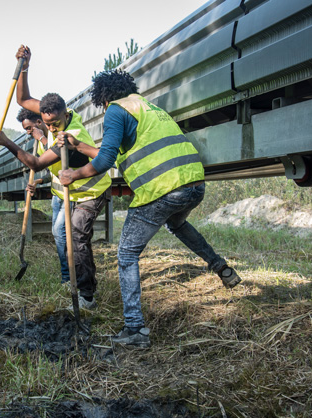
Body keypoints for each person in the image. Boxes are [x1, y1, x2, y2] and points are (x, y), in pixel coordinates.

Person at [58, 69, 241, 348]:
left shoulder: (115, 111)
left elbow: (106, 159)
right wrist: (80, 146)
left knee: (127, 254)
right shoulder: (148, 108)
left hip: (163, 189)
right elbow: (115, 153)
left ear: (104, 98)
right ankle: (221, 267)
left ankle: (134, 328)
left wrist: (74, 175)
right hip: (193, 183)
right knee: (177, 224)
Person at [0, 45, 112, 309]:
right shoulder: (51, 114)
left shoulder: (66, 136)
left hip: (92, 192)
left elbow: (35, 162)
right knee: (61, 231)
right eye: (47, 123)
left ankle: (87, 295)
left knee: (77, 235)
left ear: (66, 115)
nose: (51, 128)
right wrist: (25, 67)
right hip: (72, 191)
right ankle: (71, 277)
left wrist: (8, 143)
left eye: (56, 123)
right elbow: (23, 100)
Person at [16, 108, 70, 284]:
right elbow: (51, 170)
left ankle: (68, 278)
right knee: (58, 234)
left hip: (70, 193)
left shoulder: (56, 135)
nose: (28, 133)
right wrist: (38, 182)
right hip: (57, 194)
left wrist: (42, 138)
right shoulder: (40, 143)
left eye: (29, 128)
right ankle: (66, 275)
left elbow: (62, 157)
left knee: (59, 232)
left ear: (39, 123)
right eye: (25, 130)